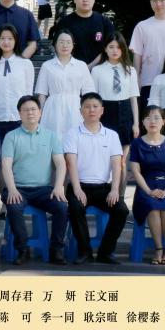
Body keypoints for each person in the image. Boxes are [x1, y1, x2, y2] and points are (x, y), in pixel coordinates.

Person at [0, 95, 69, 265]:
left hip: (43, 189)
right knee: (14, 207)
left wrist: (58, 186)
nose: (30, 113)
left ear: (40, 112)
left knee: (62, 207)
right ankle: (23, 249)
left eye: (33, 109)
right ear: (19, 114)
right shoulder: (11, 136)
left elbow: (61, 164)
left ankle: (56, 250)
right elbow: (6, 165)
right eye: (25, 110)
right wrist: (12, 189)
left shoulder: (51, 136)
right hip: (18, 188)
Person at [64, 92, 129, 265]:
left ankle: (105, 252)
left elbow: (117, 165)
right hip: (79, 185)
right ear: (81, 111)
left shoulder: (112, 135)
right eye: (87, 107)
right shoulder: (72, 133)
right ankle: (84, 251)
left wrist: (115, 190)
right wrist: (77, 189)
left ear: (102, 110)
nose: (91, 110)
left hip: (103, 188)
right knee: (75, 208)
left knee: (121, 210)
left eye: (95, 106)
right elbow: (70, 163)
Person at [129, 106, 165, 265]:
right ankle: (158, 249)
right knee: (152, 207)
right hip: (146, 186)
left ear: (163, 122)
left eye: (157, 118)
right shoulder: (137, 143)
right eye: (148, 118)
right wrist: (149, 191)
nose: (152, 121)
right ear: (143, 122)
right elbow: (136, 172)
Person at [91, 32, 139, 193]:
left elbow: (133, 98)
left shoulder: (130, 70)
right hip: (105, 114)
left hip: (125, 114)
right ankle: (104, 197)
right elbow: (94, 99)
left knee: (122, 161)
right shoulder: (97, 71)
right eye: (111, 47)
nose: (115, 50)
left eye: (118, 47)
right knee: (104, 161)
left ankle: (120, 199)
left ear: (123, 49)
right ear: (105, 49)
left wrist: (136, 123)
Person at [37, 29, 96, 142]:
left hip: (75, 107)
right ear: (55, 44)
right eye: (61, 42)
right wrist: (40, 114)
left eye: (68, 42)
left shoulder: (81, 65)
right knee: (53, 140)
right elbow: (42, 93)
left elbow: (89, 93)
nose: (65, 45)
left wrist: (90, 112)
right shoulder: (47, 66)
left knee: (75, 140)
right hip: (53, 108)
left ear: (73, 45)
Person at [0, 24, 35, 145]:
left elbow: (28, 94)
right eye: (2, 38)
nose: (6, 42)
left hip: (19, 118)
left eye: (10, 38)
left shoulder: (26, 64)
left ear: (16, 40)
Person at [50, 0, 115, 67]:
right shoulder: (64, 23)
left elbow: (111, 46)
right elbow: (57, 47)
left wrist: (90, 67)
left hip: (100, 69)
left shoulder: (104, 22)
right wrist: (79, 68)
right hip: (71, 69)